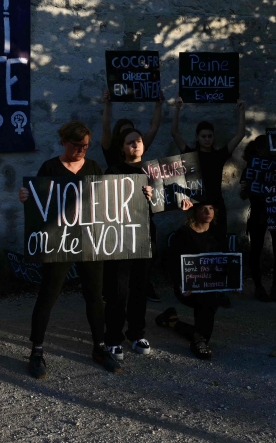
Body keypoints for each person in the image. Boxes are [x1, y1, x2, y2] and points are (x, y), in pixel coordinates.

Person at [18, 121, 121, 379]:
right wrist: (26, 197)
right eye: (77, 145)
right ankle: (37, 350)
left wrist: (143, 193)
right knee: (48, 294)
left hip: (89, 241)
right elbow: (40, 204)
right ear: (64, 142)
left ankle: (99, 347)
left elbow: (110, 199)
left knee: (94, 295)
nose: (82, 150)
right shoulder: (50, 167)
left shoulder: (94, 166)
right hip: (59, 242)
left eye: (86, 145)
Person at [102, 127, 166, 361]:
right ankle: (113, 338)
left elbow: (164, 204)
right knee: (117, 291)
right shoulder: (113, 171)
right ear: (122, 147)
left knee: (140, 289)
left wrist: (154, 198)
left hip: (145, 239)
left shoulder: (154, 172)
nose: (135, 145)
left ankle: (137, 334)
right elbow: (104, 207)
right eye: (130, 142)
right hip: (119, 240)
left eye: (138, 141)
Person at [99, 92, 164, 303]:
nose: (133, 143)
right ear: (120, 141)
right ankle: (114, 290)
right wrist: (107, 105)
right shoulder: (111, 153)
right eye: (125, 135)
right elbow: (106, 129)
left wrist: (158, 103)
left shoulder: (142, 157)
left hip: (142, 213)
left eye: (136, 138)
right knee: (117, 259)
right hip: (119, 213)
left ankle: (144, 285)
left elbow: (154, 128)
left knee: (148, 251)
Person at [170, 97, 246, 238]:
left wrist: (241, 111)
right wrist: (177, 108)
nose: (207, 139)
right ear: (197, 137)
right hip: (197, 206)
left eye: (209, 136)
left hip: (216, 205)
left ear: (213, 137)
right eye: (203, 136)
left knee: (218, 241)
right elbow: (174, 133)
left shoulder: (219, 155)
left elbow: (240, 134)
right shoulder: (191, 155)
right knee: (198, 243)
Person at [155, 203, 224, 360]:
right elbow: (172, 263)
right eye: (203, 208)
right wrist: (181, 283)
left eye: (211, 208)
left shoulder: (217, 233)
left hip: (210, 284)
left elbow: (225, 261)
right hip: (188, 286)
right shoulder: (183, 233)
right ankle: (199, 342)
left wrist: (232, 282)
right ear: (194, 212)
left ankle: (174, 323)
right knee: (207, 300)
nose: (208, 212)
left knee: (210, 299)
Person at [239, 137, 276, 302]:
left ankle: (275, 287)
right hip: (260, 212)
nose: (269, 151)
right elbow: (243, 194)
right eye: (265, 148)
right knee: (257, 250)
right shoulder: (250, 169)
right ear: (257, 150)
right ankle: (260, 287)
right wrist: (250, 189)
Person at [99, 90, 163, 169]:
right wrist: (107, 105)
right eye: (125, 133)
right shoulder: (110, 147)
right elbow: (106, 127)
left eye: (130, 131)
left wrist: (158, 105)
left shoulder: (138, 146)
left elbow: (154, 128)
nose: (135, 145)